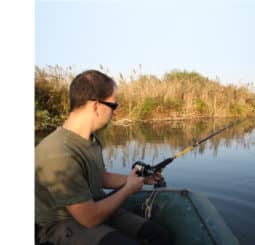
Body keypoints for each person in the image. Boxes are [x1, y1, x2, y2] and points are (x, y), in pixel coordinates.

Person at [35, 70, 172, 245]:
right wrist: (127, 190)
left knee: (160, 235)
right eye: (113, 106)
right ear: (96, 106)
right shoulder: (59, 153)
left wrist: (141, 180)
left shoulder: (90, 140)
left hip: (95, 205)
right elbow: (89, 219)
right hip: (62, 224)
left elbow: (100, 177)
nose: (114, 112)